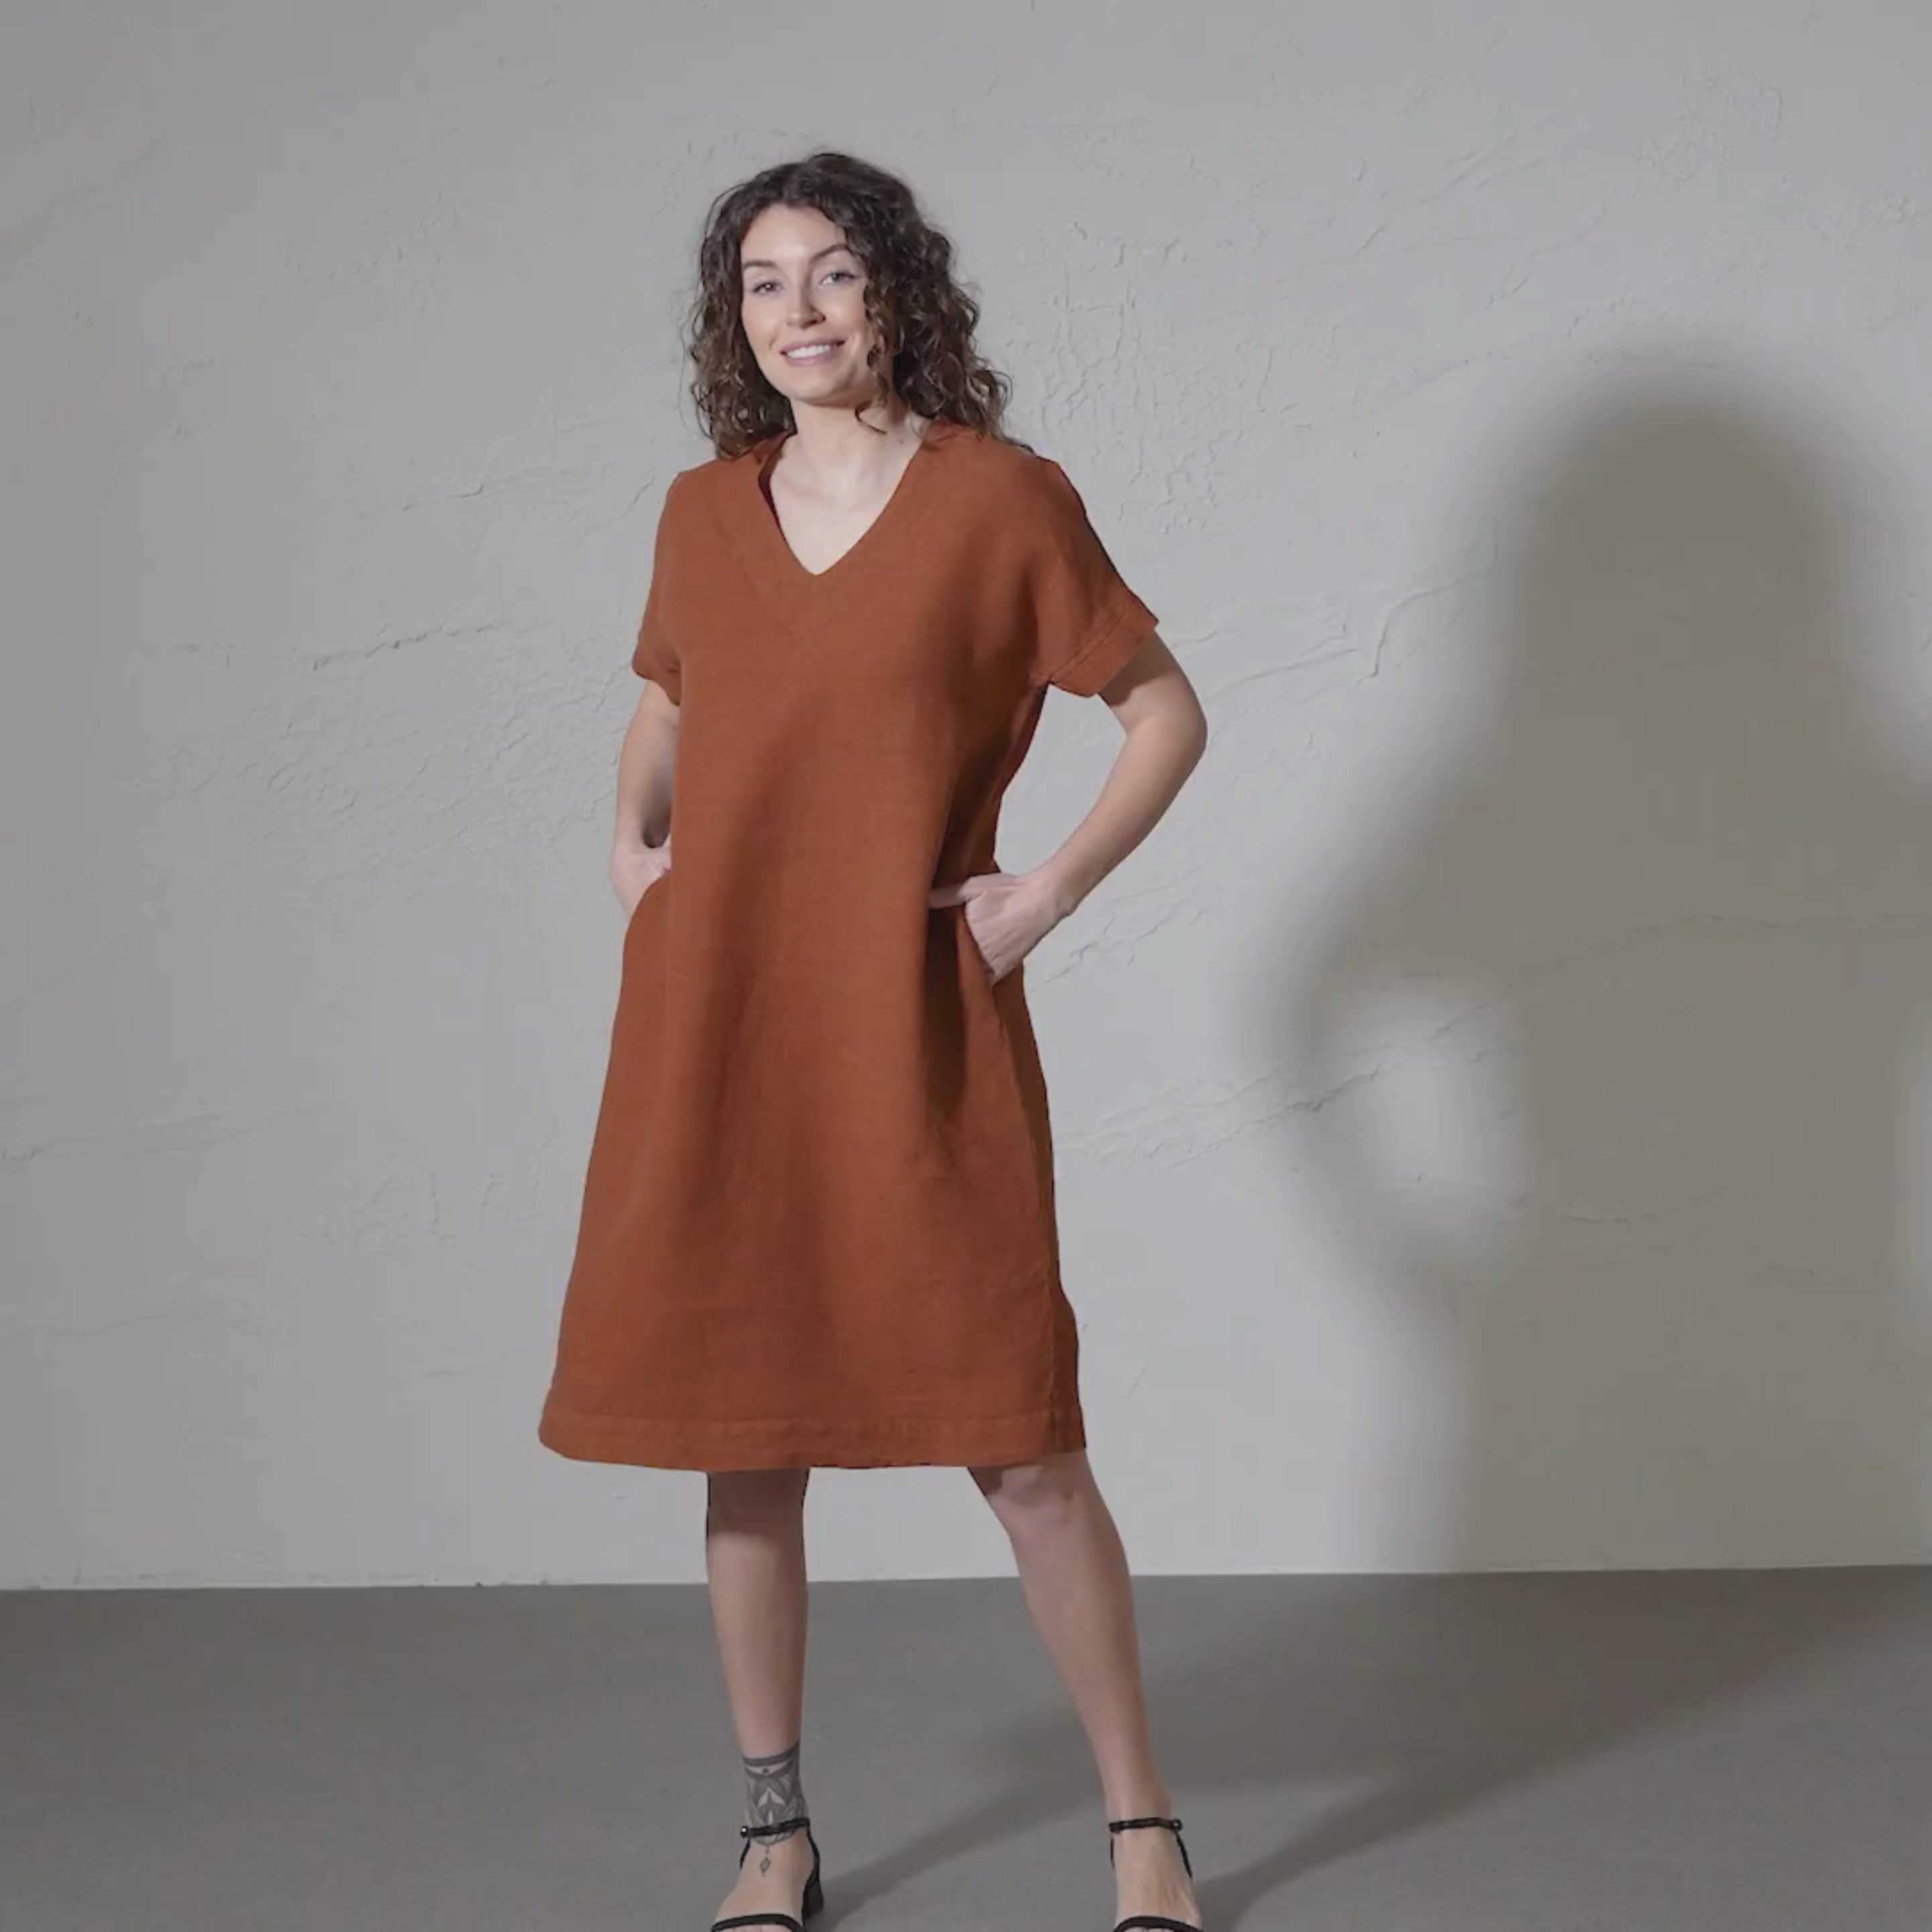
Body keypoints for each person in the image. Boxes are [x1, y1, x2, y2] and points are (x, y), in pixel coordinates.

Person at [537, 150, 1210, 1932]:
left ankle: (1144, 1830)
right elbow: (665, 697)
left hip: (913, 1022)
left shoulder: (1003, 499)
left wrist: (1040, 893)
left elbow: (1162, 709)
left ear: (901, 292)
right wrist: (632, 850)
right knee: (740, 1437)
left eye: (835, 275)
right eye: (765, 282)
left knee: (1021, 1440)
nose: (802, 312)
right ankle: (775, 1833)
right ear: (732, 318)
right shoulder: (703, 510)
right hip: (719, 1027)